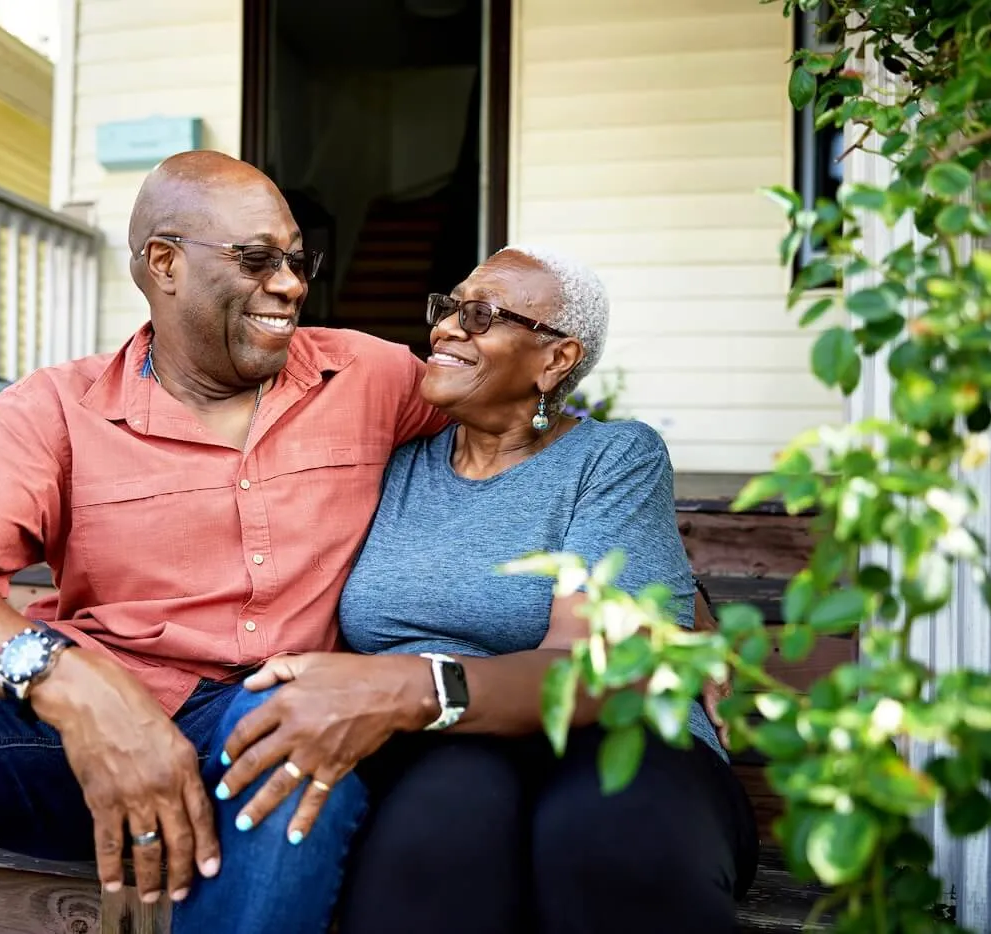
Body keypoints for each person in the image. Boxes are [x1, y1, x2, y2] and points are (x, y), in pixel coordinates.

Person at [0, 150, 449, 934]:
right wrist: (80, 694)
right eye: (256, 259)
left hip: (263, 727)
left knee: (294, 751)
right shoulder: (58, 407)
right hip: (81, 742)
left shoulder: (368, 375)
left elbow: (507, 417)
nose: (290, 284)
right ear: (165, 264)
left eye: (296, 259)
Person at [213, 246, 760, 933]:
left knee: (605, 838)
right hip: (444, 749)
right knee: (439, 837)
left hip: (616, 739)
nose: (445, 329)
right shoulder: (391, 459)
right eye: (447, 310)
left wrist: (406, 687)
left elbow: (592, 671)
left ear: (557, 359)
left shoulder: (612, 457)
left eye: (480, 316)